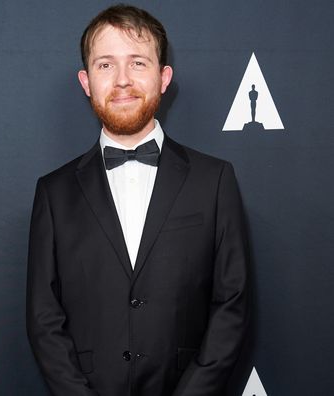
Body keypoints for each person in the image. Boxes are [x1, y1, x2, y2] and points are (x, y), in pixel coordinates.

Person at [26, 4, 250, 396]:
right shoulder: (53, 193)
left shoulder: (214, 180)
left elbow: (231, 303)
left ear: (164, 78)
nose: (123, 80)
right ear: (86, 81)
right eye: (106, 65)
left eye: (138, 63)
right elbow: (44, 319)